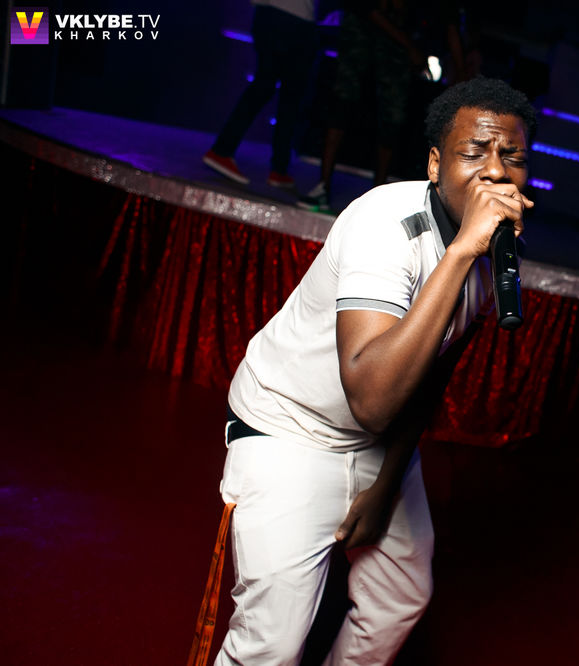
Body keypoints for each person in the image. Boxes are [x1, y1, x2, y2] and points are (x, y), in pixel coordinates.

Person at [215, 76, 537, 665]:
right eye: (473, 153)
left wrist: (386, 483)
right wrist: (462, 251)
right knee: (273, 642)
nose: (495, 171)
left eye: (512, 157)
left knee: (399, 598)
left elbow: (432, 373)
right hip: (289, 427)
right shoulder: (384, 224)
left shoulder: (497, 253)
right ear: (435, 164)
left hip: (377, 441)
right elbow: (371, 398)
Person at [297, 0, 426, 212]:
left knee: (391, 116)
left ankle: (377, 195)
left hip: (394, 40)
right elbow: (366, 8)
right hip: (361, 26)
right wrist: (410, 45)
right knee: (341, 104)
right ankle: (323, 186)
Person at [203, 0, 318, 188]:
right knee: (288, 97)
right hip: (294, 19)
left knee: (267, 86)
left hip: (268, 15)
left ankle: (227, 150)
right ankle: (229, 152)